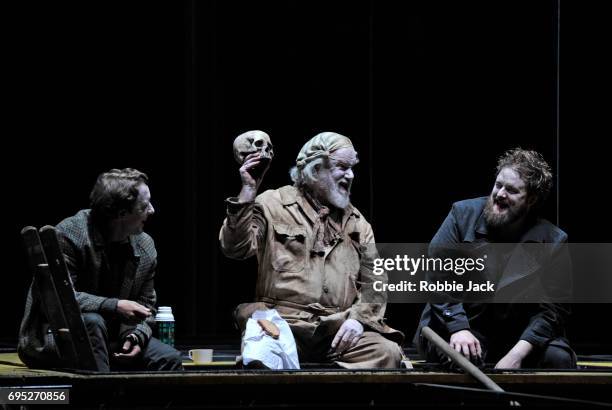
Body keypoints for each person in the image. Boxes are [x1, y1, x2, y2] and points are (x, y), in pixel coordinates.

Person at [220, 131, 406, 368]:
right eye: (341, 167)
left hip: (337, 330)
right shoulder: (273, 203)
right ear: (315, 169)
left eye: (352, 168)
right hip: (282, 323)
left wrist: (360, 320)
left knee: (386, 352)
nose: (350, 175)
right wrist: (248, 190)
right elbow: (235, 248)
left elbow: (376, 282)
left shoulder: (358, 223)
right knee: (263, 354)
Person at [415, 148, 576, 369]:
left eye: (511, 190)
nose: (500, 194)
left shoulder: (553, 241)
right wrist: (458, 327)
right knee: (464, 357)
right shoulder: (461, 216)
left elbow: (553, 311)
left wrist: (516, 355)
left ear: (531, 199)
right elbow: (437, 275)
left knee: (558, 359)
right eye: (498, 184)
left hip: (517, 336)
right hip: (460, 325)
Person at [18, 168, 183, 371]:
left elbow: (146, 304)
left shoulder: (145, 245)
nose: (152, 210)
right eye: (144, 206)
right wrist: (113, 305)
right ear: (121, 213)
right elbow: (60, 298)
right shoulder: (69, 235)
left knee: (168, 358)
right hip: (59, 335)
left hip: (112, 337)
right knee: (93, 323)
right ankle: (101, 401)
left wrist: (135, 336)